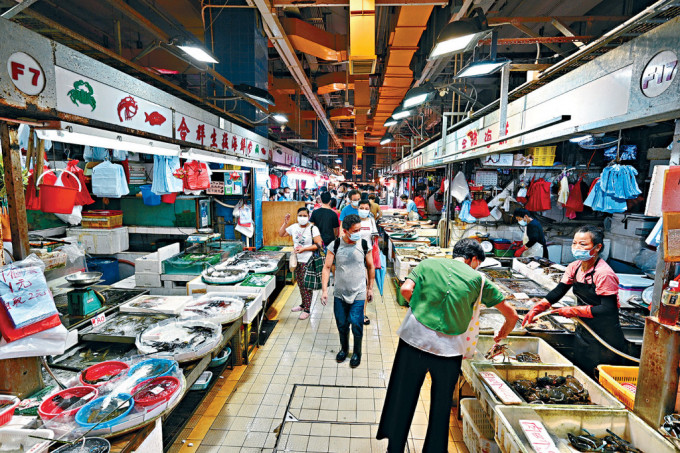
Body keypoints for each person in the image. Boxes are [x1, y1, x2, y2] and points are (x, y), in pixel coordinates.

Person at [377, 239, 519, 453]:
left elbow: (406, 290)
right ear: (472, 259)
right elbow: (512, 314)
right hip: (449, 351)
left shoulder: (427, 264)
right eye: (477, 264)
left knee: (402, 396)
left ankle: (394, 448)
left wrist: (421, 308)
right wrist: (503, 332)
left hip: (414, 340)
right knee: (441, 406)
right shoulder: (479, 280)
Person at [522, 226, 631, 374]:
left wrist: (574, 310)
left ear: (598, 247)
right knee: (580, 372)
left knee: (598, 377)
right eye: (574, 243)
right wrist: (540, 306)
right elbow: (560, 290)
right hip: (584, 331)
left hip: (604, 337)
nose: (577, 247)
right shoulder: (575, 267)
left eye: (583, 244)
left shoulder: (604, 274)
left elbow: (608, 308)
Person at [321, 214, 375, 368]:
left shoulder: (364, 244)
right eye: (355, 230)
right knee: (342, 324)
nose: (359, 232)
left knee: (356, 323)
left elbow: (370, 266)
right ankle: (344, 349)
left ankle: (357, 352)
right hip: (339, 293)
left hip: (359, 292)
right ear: (345, 231)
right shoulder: (335, 245)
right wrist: (324, 290)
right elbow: (326, 268)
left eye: (360, 229)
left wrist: (370, 288)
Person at [278, 208, 323, 320]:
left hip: (308, 260)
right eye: (300, 215)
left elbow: (318, 245)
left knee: (307, 285)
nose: (302, 217)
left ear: (308, 216)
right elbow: (281, 234)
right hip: (296, 260)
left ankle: (307, 309)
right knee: (300, 284)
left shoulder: (313, 228)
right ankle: (303, 304)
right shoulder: (293, 227)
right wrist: (285, 222)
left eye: (304, 215)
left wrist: (304, 249)